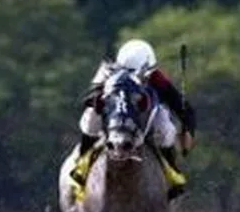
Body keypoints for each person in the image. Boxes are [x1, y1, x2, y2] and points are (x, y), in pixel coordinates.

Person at [70, 38, 196, 200]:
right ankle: (83, 165)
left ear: (147, 70)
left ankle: (172, 172)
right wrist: (99, 98)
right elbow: (86, 100)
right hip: (112, 120)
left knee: (165, 128)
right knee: (90, 119)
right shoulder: (106, 72)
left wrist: (188, 129)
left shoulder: (156, 78)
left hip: (144, 121)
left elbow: (183, 108)